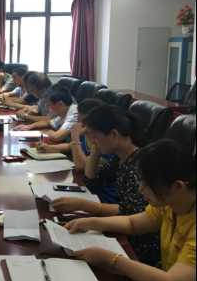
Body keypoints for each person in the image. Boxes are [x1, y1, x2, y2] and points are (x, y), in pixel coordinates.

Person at [65, 139, 195, 281]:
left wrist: (111, 260)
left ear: (177, 187)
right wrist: (89, 222)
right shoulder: (170, 203)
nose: (140, 189)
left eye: (146, 184)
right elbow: (132, 223)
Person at [52, 104, 160, 266]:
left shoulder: (139, 165)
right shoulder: (120, 157)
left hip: (137, 246)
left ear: (114, 134)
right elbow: (91, 181)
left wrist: (84, 206)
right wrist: (97, 148)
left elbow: (130, 213)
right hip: (124, 231)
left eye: (94, 136)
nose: (91, 141)